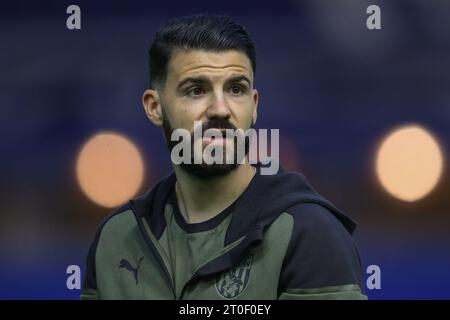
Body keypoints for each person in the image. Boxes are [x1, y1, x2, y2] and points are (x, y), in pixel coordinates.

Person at [81, 14, 367, 300]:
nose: (220, 109)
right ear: (155, 107)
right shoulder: (116, 239)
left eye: (236, 89)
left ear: (254, 106)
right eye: (196, 90)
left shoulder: (309, 234)